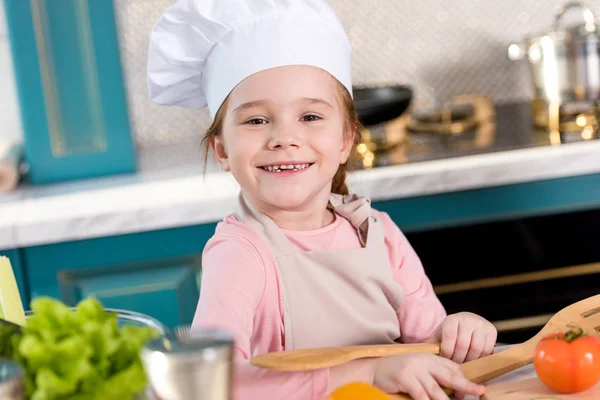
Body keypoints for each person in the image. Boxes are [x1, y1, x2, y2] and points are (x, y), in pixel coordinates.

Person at [147, 1, 498, 399]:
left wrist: (459, 332)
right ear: (222, 150)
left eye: (310, 117)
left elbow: (428, 346)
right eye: (256, 120)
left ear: (346, 139)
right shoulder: (240, 255)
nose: (284, 138)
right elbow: (214, 382)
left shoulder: (377, 233)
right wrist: (367, 375)